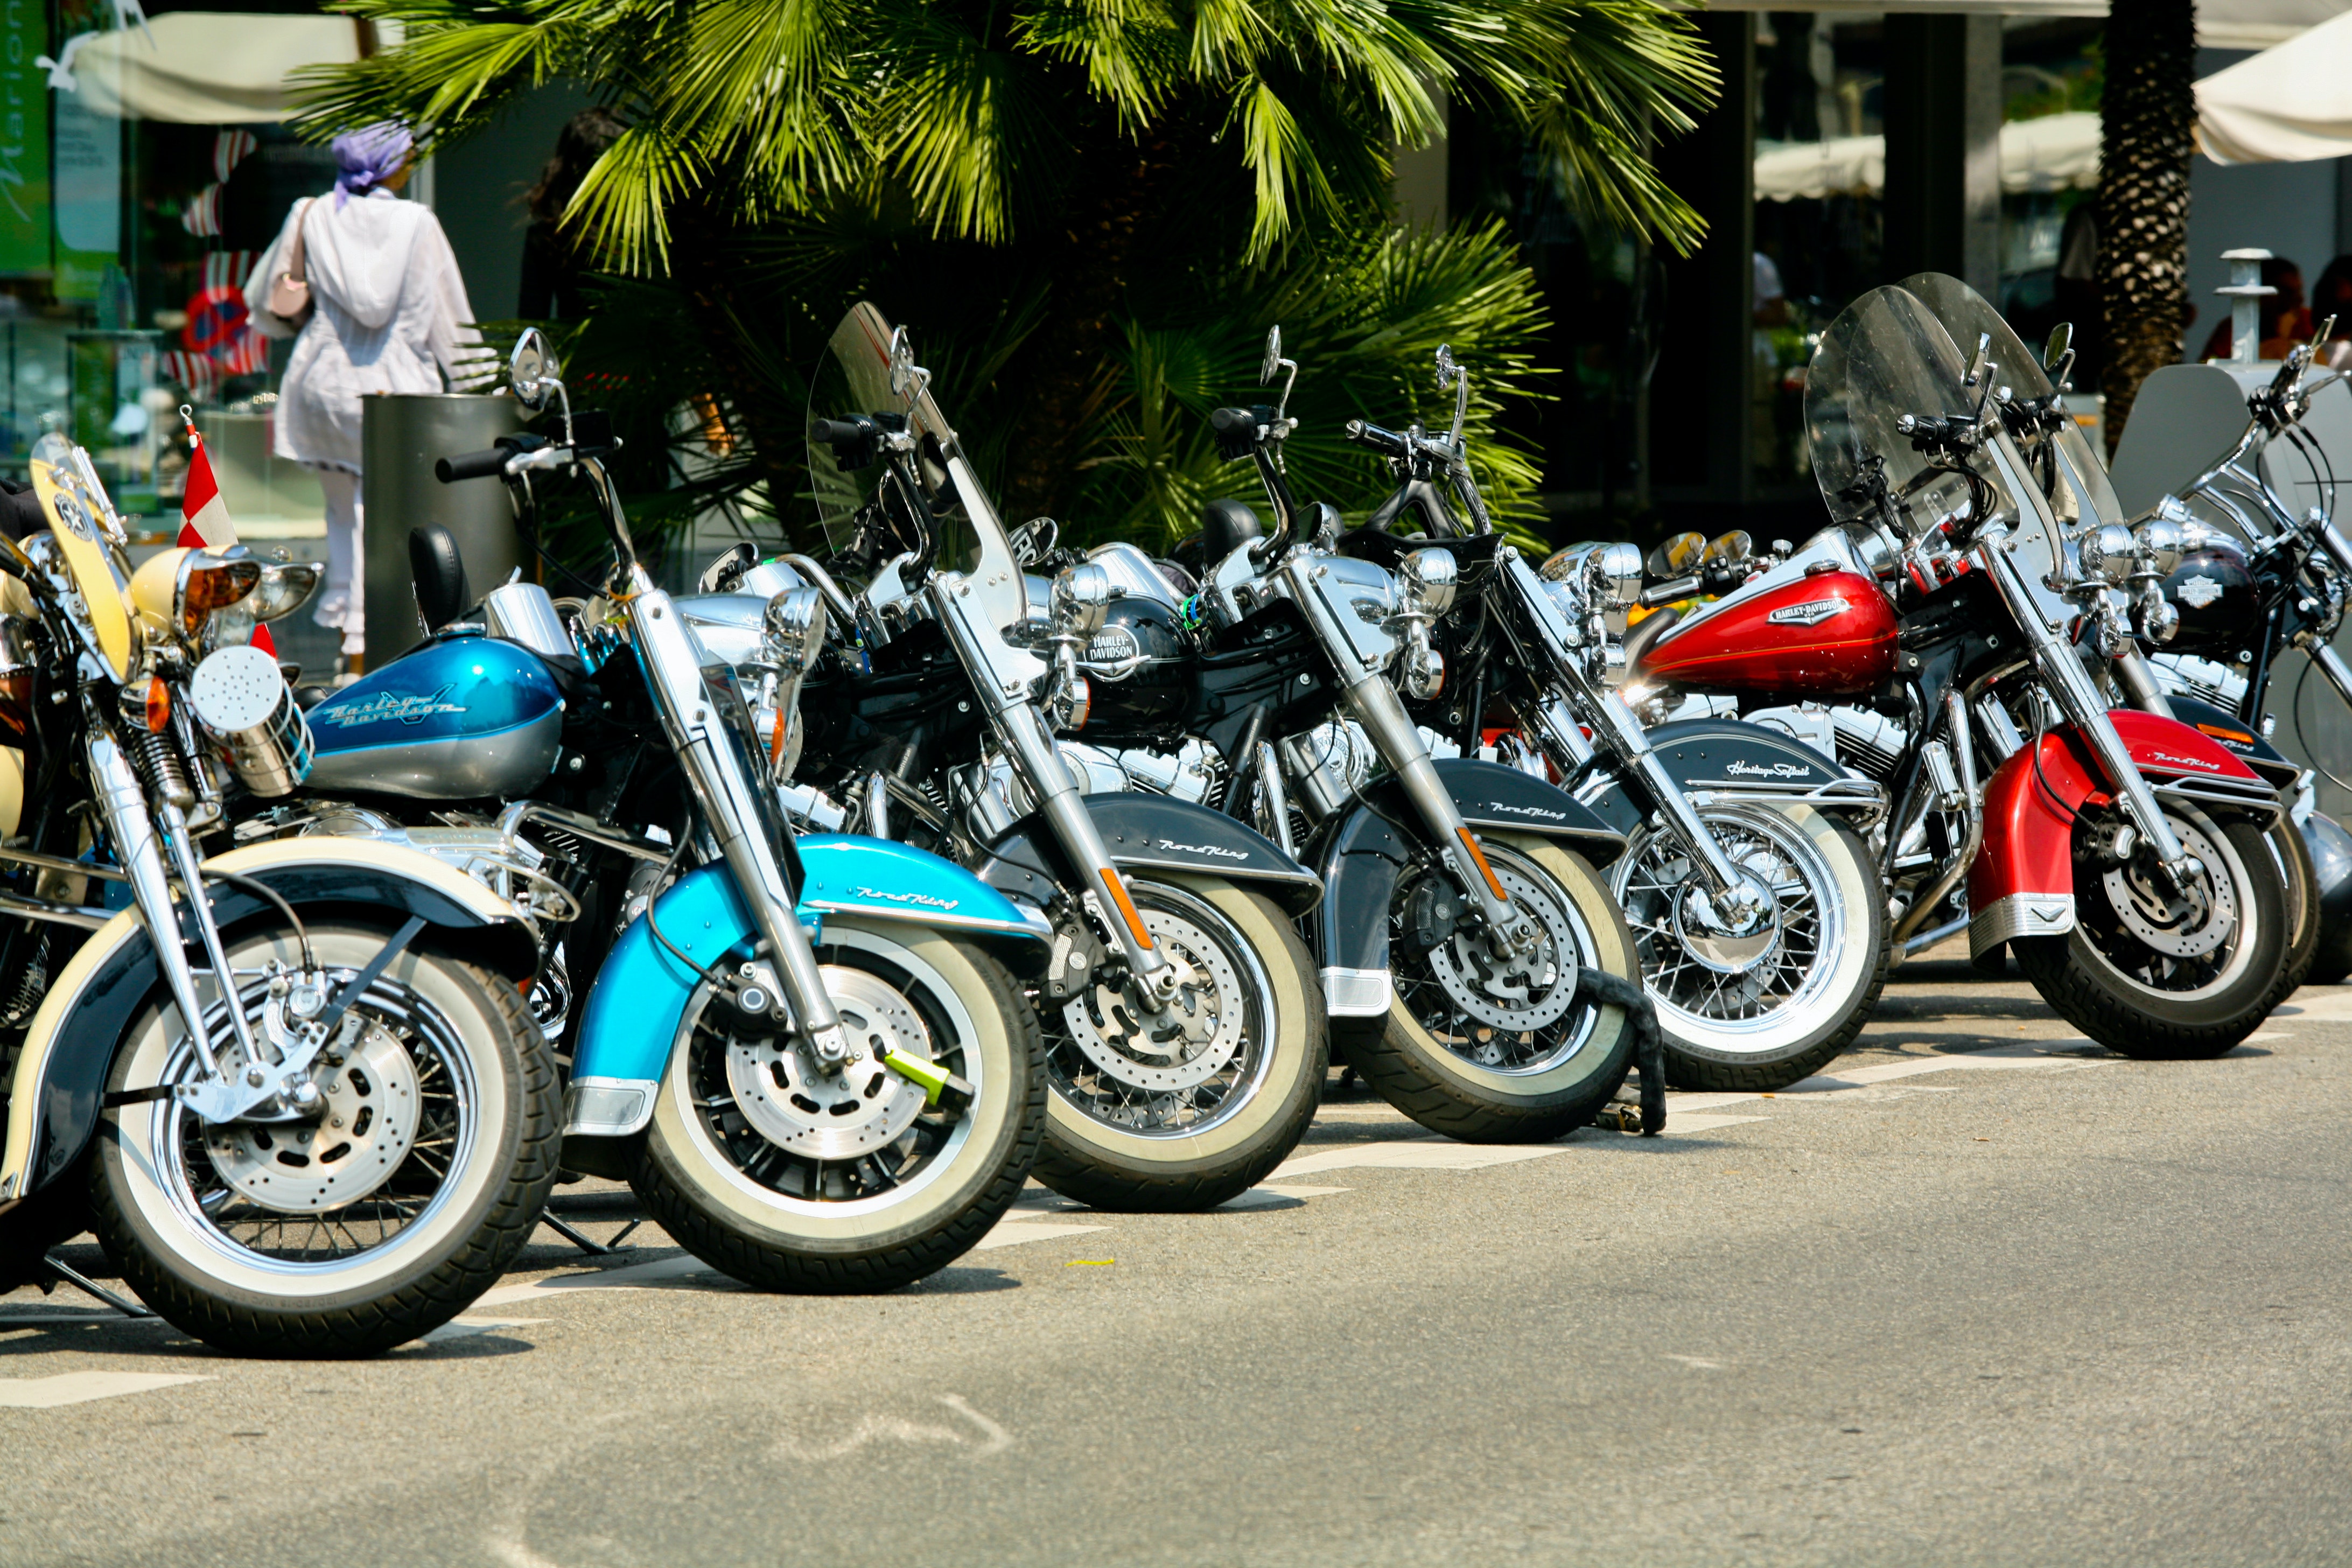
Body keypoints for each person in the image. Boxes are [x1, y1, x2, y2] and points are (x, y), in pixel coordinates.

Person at [243, 122, 487, 662]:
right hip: (396, 390)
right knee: (396, 521)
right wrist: (488, 397)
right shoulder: (418, 223)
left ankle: (349, 646)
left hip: (323, 385)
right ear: (391, 165)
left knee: (343, 517)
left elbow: (264, 304)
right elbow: (453, 327)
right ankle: (385, 643)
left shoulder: (313, 212)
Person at [519, 107, 625, 321]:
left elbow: (531, 323)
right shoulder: (640, 232)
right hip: (639, 352)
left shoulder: (547, 236)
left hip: (573, 351)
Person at [2197, 255, 2309, 362]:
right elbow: (2207, 364)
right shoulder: (2236, 327)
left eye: (2299, 290)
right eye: (2287, 292)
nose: (2299, 298)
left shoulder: (2309, 321)